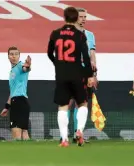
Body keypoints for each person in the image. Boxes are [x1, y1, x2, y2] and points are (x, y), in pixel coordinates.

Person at [47, 6, 95, 147]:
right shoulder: (80, 35)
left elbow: (49, 53)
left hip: (61, 74)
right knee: (83, 103)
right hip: (77, 74)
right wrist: (90, 76)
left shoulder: (55, 33)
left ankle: (64, 139)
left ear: (64, 17)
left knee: (63, 106)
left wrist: (58, 63)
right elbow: (86, 58)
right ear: (76, 18)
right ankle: (79, 130)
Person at [69, 7, 98, 143]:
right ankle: (64, 135)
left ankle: (77, 134)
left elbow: (92, 55)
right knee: (67, 103)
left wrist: (94, 74)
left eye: (85, 17)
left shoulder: (90, 35)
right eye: (81, 17)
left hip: (85, 73)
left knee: (81, 104)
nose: (83, 19)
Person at [0, 46, 32, 140]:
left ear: (19, 56)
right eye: (11, 54)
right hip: (19, 102)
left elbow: (26, 68)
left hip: (19, 102)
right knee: (24, 131)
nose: (14, 56)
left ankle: (17, 153)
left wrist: (28, 65)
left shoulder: (20, 65)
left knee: (16, 131)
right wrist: (7, 107)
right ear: (8, 56)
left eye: (16, 54)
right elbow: (12, 92)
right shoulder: (12, 71)